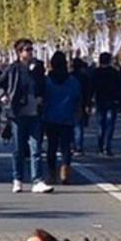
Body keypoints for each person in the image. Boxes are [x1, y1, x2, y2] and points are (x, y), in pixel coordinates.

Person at [0, 39, 47, 193]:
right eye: (27, 49)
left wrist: (41, 97)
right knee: (18, 149)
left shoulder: (37, 68)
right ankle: (17, 179)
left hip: (35, 112)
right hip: (17, 113)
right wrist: (3, 96)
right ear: (19, 52)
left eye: (31, 49)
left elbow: (43, 85)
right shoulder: (13, 69)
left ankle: (37, 180)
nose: (30, 52)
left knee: (36, 148)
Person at [43, 52, 82, 186]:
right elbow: (77, 98)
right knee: (66, 147)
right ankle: (65, 171)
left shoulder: (47, 81)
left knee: (51, 147)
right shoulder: (72, 81)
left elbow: (44, 99)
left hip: (51, 117)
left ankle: (52, 173)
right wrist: (78, 113)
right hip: (67, 117)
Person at [91, 53, 121, 156]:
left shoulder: (96, 72)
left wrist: (90, 100)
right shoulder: (114, 73)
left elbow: (92, 87)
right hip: (112, 101)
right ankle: (107, 146)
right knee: (110, 125)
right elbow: (119, 87)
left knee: (101, 124)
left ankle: (100, 145)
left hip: (100, 100)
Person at [71, 58, 92, 157]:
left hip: (70, 102)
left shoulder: (70, 76)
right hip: (81, 102)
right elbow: (88, 91)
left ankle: (72, 145)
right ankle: (78, 146)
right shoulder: (84, 77)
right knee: (78, 125)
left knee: (72, 125)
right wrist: (88, 103)